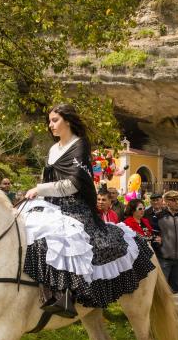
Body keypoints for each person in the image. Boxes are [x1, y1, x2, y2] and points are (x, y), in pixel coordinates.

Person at [23, 103, 154, 316]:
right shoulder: (53, 149)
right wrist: (39, 193)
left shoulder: (79, 145)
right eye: (49, 121)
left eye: (55, 120)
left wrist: (39, 189)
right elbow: (49, 178)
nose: (50, 125)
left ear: (67, 121)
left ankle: (65, 296)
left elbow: (73, 184)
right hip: (52, 204)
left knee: (67, 240)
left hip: (76, 206)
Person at [151, 191, 178, 292]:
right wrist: (160, 248)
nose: (177, 202)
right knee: (163, 288)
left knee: (176, 288)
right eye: (174, 200)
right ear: (166, 201)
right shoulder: (158, 216)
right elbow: (154, 236)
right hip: (164, 258)